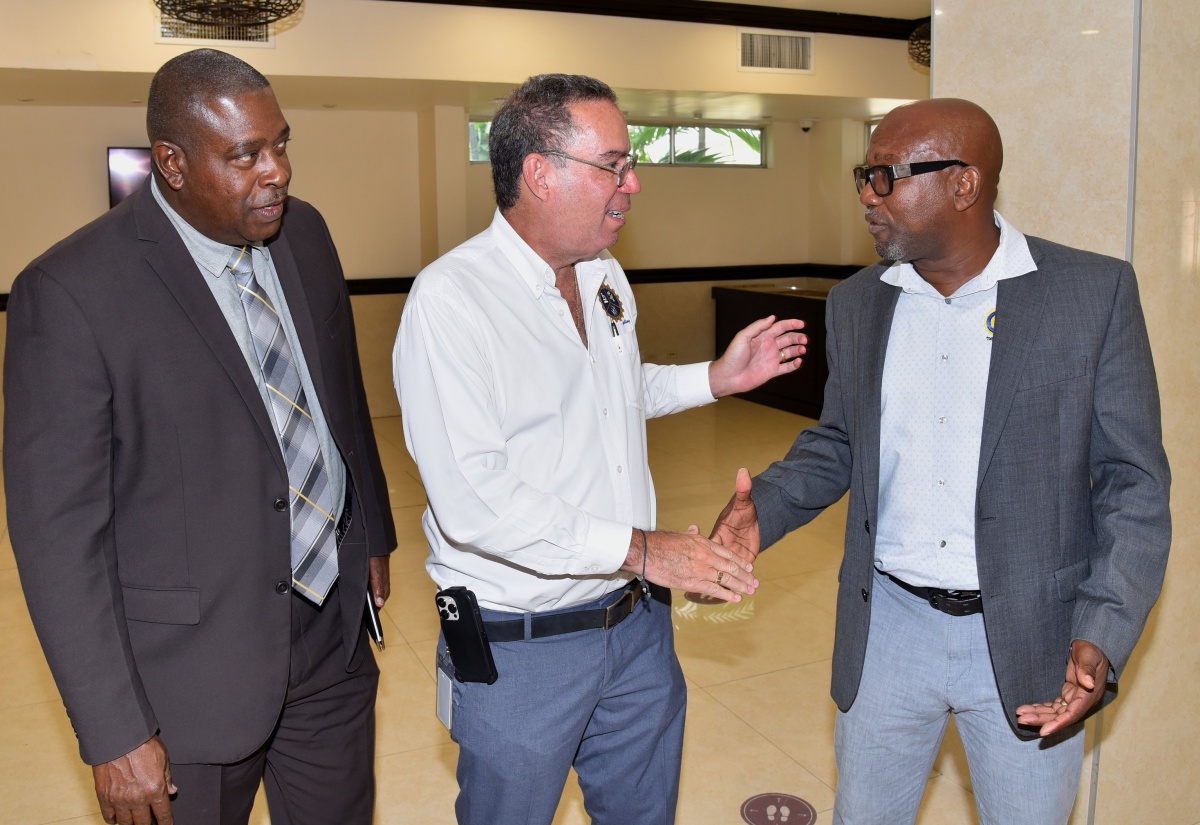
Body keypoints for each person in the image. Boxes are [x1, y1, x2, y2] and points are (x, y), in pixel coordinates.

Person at [710, 97, 1172, 823]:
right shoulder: (861, 301)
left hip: (1030, 637)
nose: (867, 194)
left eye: (887, 176)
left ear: (964, 184)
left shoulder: (1092, 294)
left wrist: (1102, 629)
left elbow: (1134, 485)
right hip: (889, 626)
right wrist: (761, 511)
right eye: (864, 174)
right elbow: (840, 441)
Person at [393, 73, 808, 825]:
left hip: (634, 629)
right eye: (614, 164)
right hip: (521, 648)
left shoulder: (604, 276)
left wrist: (714, 378)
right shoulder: (452, 301)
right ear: (539, 172)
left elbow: (612, 390)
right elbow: (473, 500)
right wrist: (645, 548)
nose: (634, 183)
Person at [4, 49, 396, 825]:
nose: (275, 170)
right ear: (174, 163)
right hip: (186, 683)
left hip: (330, 645)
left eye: (279, 143)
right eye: (245, 154)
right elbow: (57, 539)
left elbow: (340, 400)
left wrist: (369, 534)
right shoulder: (70, 293)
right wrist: (113, 729)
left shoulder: (305, 236)